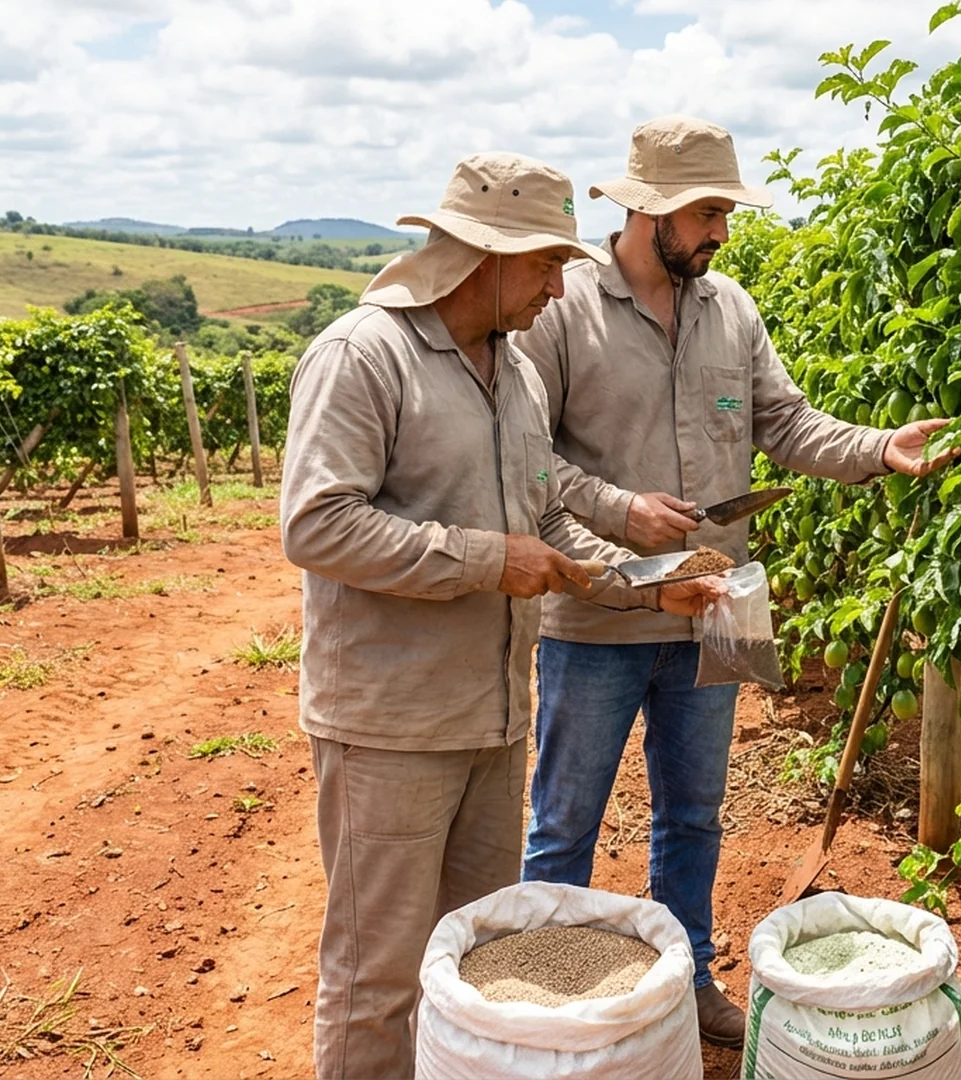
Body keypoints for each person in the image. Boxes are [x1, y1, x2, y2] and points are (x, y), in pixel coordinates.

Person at [513, 115, 954, 1048]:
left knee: (695, 813)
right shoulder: (563, 311)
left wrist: (881, 448)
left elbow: (786, 426)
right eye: (707, 211)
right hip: (598, 614)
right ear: (649, 208)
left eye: (723, 212)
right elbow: (527, 460)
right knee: (566, 822)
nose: (720, 231)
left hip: (718, 609)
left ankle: (688, 981)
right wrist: (620, 510)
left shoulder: (731, 308)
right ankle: (547, 1006)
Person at [279, 152, 720, 1080]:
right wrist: (487, 559)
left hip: (494, 718)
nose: (561, 289)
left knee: (475, 962)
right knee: (377, 975)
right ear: (480, 256)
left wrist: (644, 583)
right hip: (391, 725)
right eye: (545, 266)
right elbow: (317, 524)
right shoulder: (365, 355)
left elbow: (547, 517)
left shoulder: (513, 371)